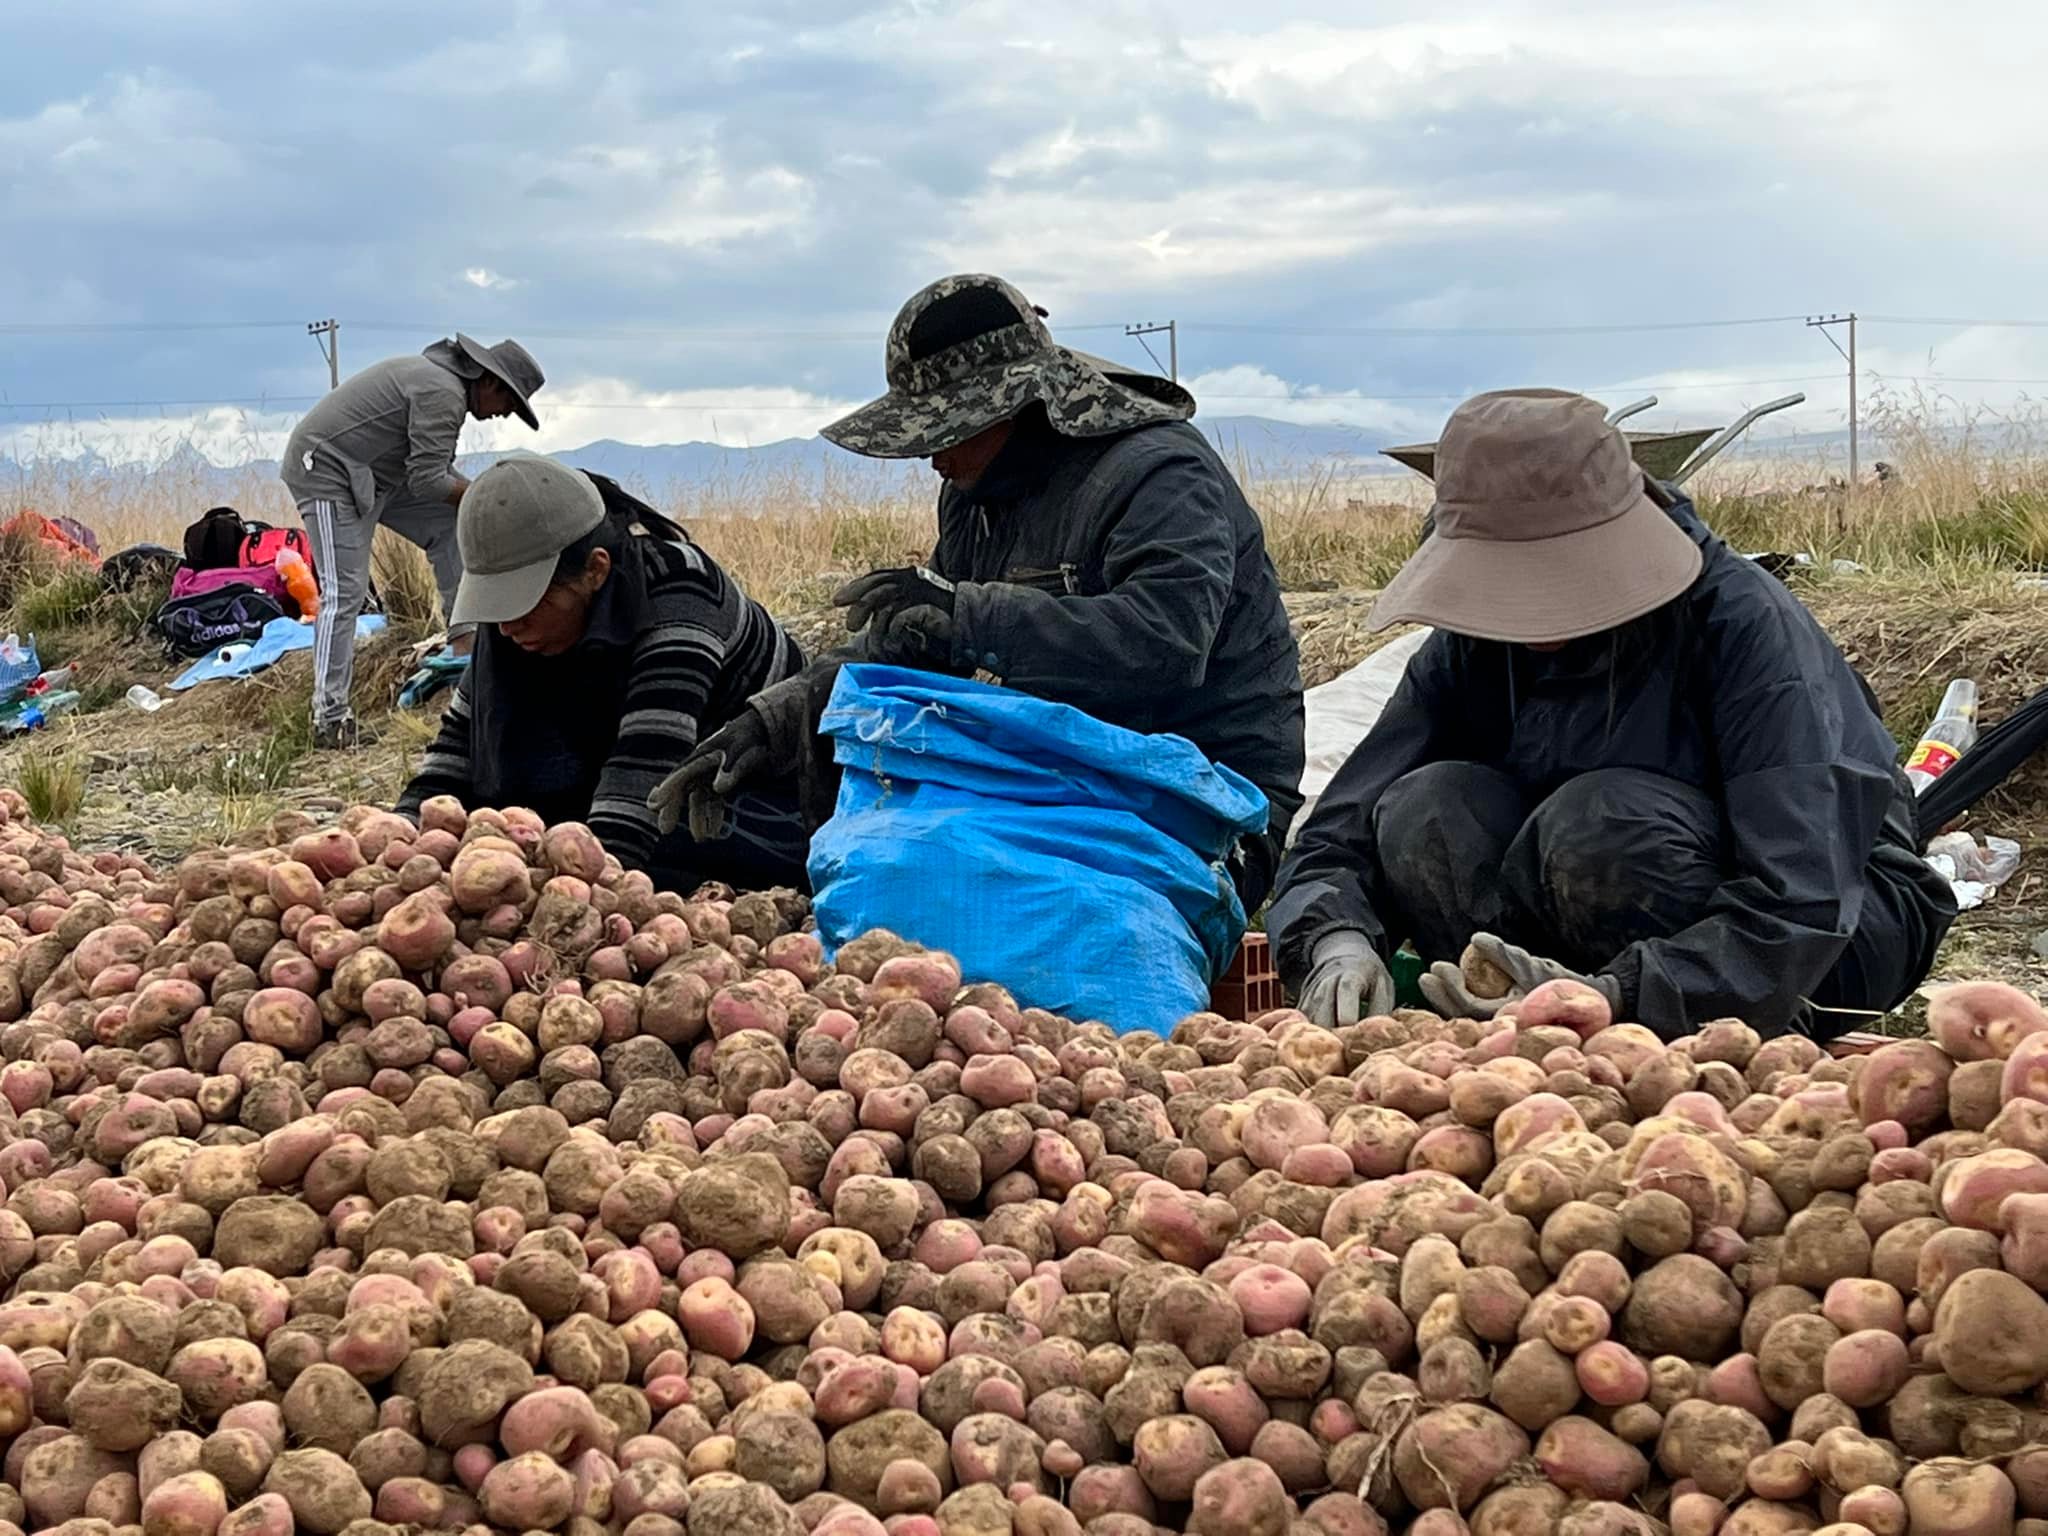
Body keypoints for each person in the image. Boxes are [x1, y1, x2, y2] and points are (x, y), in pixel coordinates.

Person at [1268, 388, 1956, 1040]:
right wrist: (1334, 938)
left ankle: (1648, 1033)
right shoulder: (1473, 647)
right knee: (1429, 804)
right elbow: (1340, 833)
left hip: (1817, 939)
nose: (1529, 607)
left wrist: (1620, 994)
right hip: (1580, 930)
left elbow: (1803, 890)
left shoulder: (1742, 626)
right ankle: (1517, 1026)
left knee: (1604, 822)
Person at [650, 273, 1305, 909]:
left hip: (1205, 798)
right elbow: (914, 642)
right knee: (851, 843)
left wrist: (970, 618)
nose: (932, 457)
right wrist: (772, 719)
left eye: (945, 433)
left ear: (1015, 408)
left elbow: (1164, 643)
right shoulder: (975, 495)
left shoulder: (1159, 472)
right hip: (1061, 773)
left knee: (977, 886)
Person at [396, 456, 808, 892]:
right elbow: (461, 739)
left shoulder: (680, 593)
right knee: (512, 827)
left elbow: (645, 767)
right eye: (495, 606)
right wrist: (400, 836)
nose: (507, 627)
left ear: (595, 570)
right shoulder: (517, 621)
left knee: (656, 850)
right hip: (637, 772)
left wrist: (582, 892)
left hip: (754, 795)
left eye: (523, 604)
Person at [281, 335, 545, 748]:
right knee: (344, 592)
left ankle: (465, 654)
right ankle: (329, 720)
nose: (503, 416)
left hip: (377, 477)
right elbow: (428, 479)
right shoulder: (442, 392)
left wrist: (472, 499)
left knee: (450, 524)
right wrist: (486, 496)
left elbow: (430, 472)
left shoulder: (443, 387)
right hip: (327, 469)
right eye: (509, 406)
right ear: (492, 383)